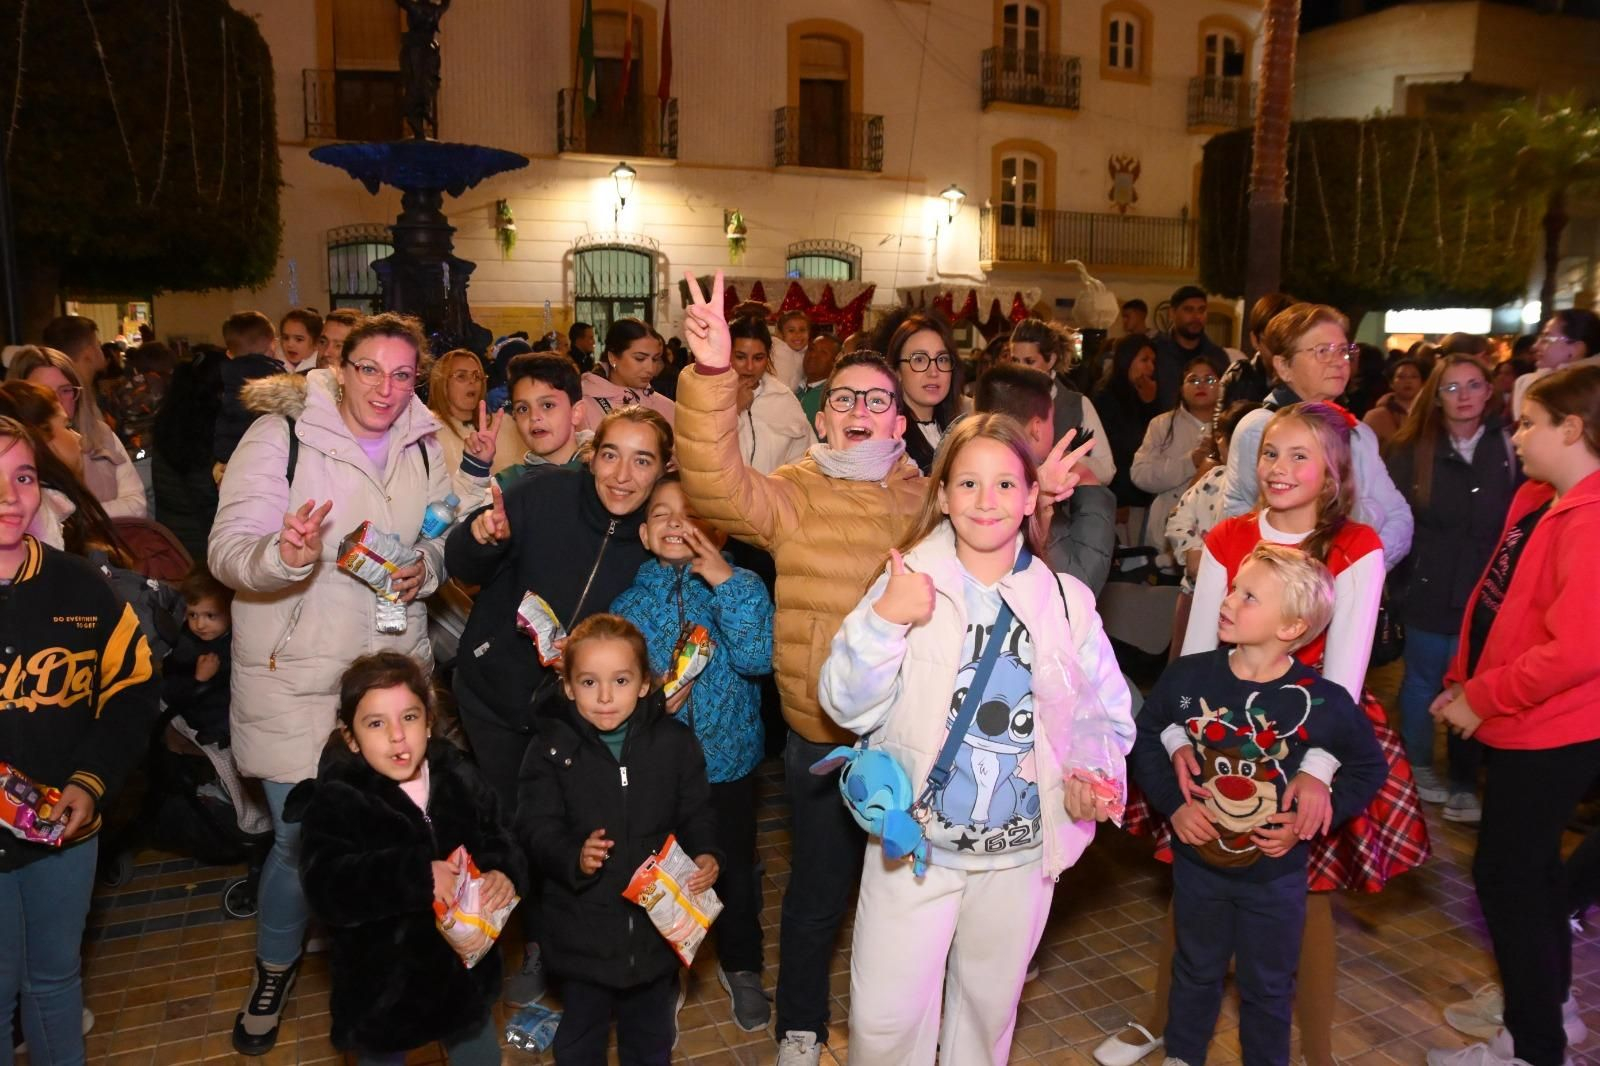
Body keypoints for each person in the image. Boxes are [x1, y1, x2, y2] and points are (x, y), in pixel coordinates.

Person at [1106, 402, 1429, 1066]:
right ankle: (1174, 1035)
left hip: (1313, 745)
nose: (1280, 469)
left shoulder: (1355, 546)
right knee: (1199, 893)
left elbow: (1342, 678)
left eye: (1300, 456)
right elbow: (1195, 661)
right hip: (1219, 737)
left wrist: (1315, 771)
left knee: (1294, 911)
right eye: (1271, 453)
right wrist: (1179, 750)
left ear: (1336, 470)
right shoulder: (1229, 536)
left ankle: (1303, 1051)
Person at [818, 413, 1133, 1066]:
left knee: (986, 1020)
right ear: (942, 495)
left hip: (1018, 859)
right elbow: (844, 703)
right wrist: (883, 623)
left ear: (1028, 497)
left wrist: (1089, 774)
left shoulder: (1066, 601)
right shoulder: (907, 584)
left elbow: (1103, 715)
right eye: (968, 483)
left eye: (1004, 484)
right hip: (916, 850)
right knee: (884, 1023)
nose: (986, 501)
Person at [675, 272, 924, 1066]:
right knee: (817, 897)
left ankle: (902, 1030)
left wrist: (1043, 502)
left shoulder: (928, 496)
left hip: (913, 736)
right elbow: (714, 485)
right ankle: (801, 1029)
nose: (858, 411)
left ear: (901, 414)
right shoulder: (793, 490)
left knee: (907, 896)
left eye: (875, 399)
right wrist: (716, 376)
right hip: (822, 734)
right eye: (844, 398)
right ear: (823, 411)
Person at [207, 312, 455, 1056]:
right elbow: (227, 553)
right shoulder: (280, 437)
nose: (387, 388)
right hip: (296, 678)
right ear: (339, 368)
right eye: (370, 370)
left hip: (389, 679)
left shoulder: (423, 440)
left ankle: (388, 979)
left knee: (391, 838)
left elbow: (442, 528)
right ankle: (276, 968)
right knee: (299, 842)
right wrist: (284, 555)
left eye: (403, 373)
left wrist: (429, 567)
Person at [445, 405, 672, 1007]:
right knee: (511, 819)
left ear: (662, 470)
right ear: (591, 455)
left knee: (563, 825)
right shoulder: (541, 495)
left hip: (576, 713)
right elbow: (461, 565)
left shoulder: (658, 536)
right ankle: (506, 936)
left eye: (642, 460)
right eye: (610, 455)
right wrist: (480, 535)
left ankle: (547, 945)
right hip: (493, 691)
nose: (622, 475)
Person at [1130, 545, 1386, 1066]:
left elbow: (1368, 767)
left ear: (1292, 627)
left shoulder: (1324, 700)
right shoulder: (1188, 677)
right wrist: (1173, 806)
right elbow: (1147, 734)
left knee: (1268, 988)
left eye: (1249, 596)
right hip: (1199, 866)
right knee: (1194, 969)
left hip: (1276, 877)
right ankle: (1183, 1055)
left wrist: (1319, 813)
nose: (1228, 601)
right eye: (1233, 589)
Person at [1425, 365, 1600, 1066]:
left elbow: (1578, 648)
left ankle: (1533, 1047)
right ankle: (1546, 1016)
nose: (1516, 434)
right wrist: (1463, 681)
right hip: (1523, 714)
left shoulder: (1589, 518)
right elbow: (1500, 604)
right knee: (1528, 879)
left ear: (1573, 429)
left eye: (1530, 423)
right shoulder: (1542, 497)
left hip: (1553, 726)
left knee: (1510, 880)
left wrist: (1487, 696)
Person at [0, 413, 158, 1066]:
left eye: (24, 477)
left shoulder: (80, 587)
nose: (10, 498)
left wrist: (89, 781)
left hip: (63, 826)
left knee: (56, 979)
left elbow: (131, 690)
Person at [289, 652, 522, 1066]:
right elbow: (328, 886)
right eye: (376, 723)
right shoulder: (338, 800)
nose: (397, 736)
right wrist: (415, 876)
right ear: (351, 738)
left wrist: (503, 871)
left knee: (480, 1055)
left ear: (430, 722)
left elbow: (499, 831)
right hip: (384, 990)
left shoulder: (458, 774)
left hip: (462, 974)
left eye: (410, 718)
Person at [518, 614, 721, 1066]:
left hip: (655, 931)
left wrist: (707, 853)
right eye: (589, 681)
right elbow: (534, 826)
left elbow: (697, 810)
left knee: (650, 1039)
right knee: (581, 1036)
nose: (605, 696)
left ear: (645, 684)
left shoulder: (674, 742)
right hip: (582, 929)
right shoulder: (551, 749)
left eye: (621, 680)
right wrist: (572, 854)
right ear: (568, 686)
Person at [610, 475, 775, 1032]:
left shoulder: (742, 583)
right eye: (661, 514)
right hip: (663, 769)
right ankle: (666, 975)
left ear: (717, 526)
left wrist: (726, 583)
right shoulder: (630, 603)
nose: (676, 524)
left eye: (690, 513)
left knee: (731, 866)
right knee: (668, 873)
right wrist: (654, 700)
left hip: (728, 763)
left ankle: (742, 964)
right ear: (643, 532)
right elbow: (618, 684)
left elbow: (756, 658)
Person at [1384, 354, 1515, 825]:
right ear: (1435, 397)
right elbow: (1394, 522)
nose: (1463, 397)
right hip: (1428, 587)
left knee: (1477, 683)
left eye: (1473, 385)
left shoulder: (1509, 446)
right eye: (1452, 388)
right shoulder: (1410, 450)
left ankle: (1464, 780)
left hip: (1490, 592)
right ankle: (1419, 763)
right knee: (1422, 681)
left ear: (1489, 392)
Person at [1221, 303, 1413, 570]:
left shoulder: (1358, 432)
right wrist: (1365, 522)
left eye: (1343, 351)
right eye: (1322, 351)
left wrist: (1360, 566)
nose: (1338, 361)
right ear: (1284, 366)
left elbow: (1399, 516)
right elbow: (1274, 527)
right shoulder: (1261, 428)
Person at [973, 363, 1117, 595]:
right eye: (1052, 420)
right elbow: (1079, 585)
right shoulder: (1032, 491)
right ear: (1037, 428)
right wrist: (1089, 485)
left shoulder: (962, 474)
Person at [8, 345, 147, 518]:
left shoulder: (100, 434)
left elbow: (137, 505)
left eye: (65, 390)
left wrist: (79, 516)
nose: (57, 401)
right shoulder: (11, 452)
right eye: (43, 392)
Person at [1132, 353, 1224, 564]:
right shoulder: (1162, 425)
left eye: (1209, 379)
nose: (1201, 385)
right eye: (1193, 380)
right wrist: (1189, 462)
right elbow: (1139, 474)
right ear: (1182, 387)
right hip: (1167, 533)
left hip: (1217, 534)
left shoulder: (1231, 427)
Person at [1005, 318, 1116, 485]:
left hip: (1062, 506)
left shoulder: (1077, 404)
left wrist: (1065, 460)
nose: (1021, 369)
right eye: (1015, 361)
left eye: (1029, 361)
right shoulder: (1000, 400)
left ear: (1050, 360)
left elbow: (1106, 470)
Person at [151, 346, 226, 560]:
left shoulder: (169, 420)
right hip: (200, 546)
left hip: (174, 542)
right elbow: (208, 500)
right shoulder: (201, 431)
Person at [728, 314, 816, 474]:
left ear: (768, 358)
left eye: (758, 358)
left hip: (775, 496)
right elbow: (699, 455)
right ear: (727, 355)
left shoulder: (783, 398)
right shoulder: (708, 398)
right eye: (740, 357)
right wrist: (734, 410)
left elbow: (806, 459)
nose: (749, 367)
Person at [1093, 334, 1163, 527]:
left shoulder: (1145, 395)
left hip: (1143, 493)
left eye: (1153, 361)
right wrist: (1119, 499)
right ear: (1127, 361)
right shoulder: (1106, 398)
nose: (1150, 368)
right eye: (1144, 360)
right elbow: (1114, 450)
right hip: (1122, 496)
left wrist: (1150, 403)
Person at [162, 564, 235, 748]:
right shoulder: (187, 644)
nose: (200, 624)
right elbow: (171, 689)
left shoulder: (236, 639)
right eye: (193, 615)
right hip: (199, 709)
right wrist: (199, 679)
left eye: (210, 615)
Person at [495, 352, 592, 487]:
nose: (534, 417)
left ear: (576, 412)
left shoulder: (604, 471)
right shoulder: (509, 483)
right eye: (523, 409)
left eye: (547, 405)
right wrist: (475, 469)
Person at [888, 313, 964, 476]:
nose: (934, 372)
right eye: (919, 359)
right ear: (897, 371)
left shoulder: (961, 430)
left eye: (942, 359)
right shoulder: (889, 440)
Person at [214, 311, 286, 469]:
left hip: (230, 456)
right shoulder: (277, 378)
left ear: (230, 353)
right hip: (267, 459)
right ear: (273, 344)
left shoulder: (223, 377)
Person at [581, 320, 674, 429]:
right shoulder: (584, 407)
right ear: (613, 358)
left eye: (655, 359)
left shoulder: (668, 407)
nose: (651, 369)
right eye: (640, 358)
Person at [1511, 309, 1600, 422]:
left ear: (1576, 349)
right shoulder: (1529, 381)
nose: (1535, 346)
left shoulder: (1587, 392)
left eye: (1546, 339)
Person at [1218, 293, 1296, 413]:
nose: (1279, 349)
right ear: (1255, 340)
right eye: (1271, 341)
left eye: (1286, 340)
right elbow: (1222, 428)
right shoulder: (1239, 376)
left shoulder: (1306, 377)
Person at [1153, 286, 1228, 409]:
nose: (1196, 316)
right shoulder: (1156, 353)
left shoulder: (1217, 356)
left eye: (1201, 310)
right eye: (1188, 310)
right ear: (1172, 313)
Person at [426, 348, 489, 477]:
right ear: (443, 383)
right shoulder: (427, 433)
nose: (472, 381)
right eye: (461, 376)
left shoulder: (498, 426)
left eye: (477, 376)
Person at [1362, 357, 1425, 446]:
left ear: (1422, 383)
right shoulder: (1376, 417)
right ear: (1391, 383)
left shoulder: (1431, 414)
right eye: (1401, 377)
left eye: (1414, 377)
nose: (1408, 381)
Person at [795, 333, 841, 427]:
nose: (813, 355)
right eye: (811, 349)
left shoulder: (832, 397)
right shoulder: (793, 386)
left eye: (823, 352)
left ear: (835, 362)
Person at [770, 310, 811, 391]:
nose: (798, 334)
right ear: (781, 334)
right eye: (791, 330)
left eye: (802, 330)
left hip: (791, 400)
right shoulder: (775, 349)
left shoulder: (808, 354)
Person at [279, 309, 325, 374]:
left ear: (316, 343)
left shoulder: (322, 371)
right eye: (285, 338)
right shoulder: (274, 367)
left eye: (299, 339)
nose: (290, 344)